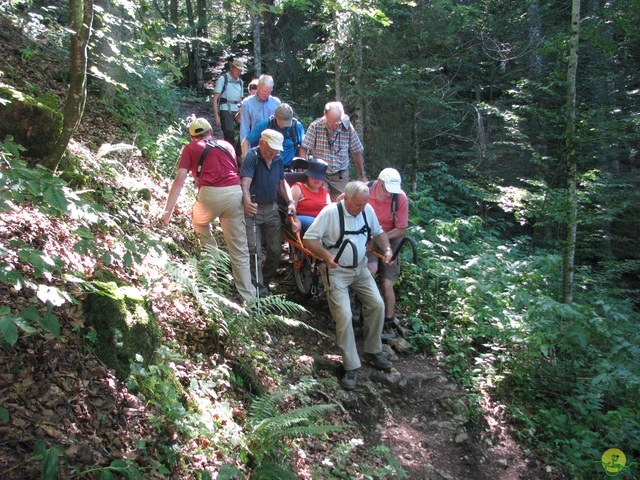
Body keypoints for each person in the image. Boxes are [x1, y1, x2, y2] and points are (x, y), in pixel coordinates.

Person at [303, 181, 394, 391]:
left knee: (377, 305)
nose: (362, 209)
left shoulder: (366, 209)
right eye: (358, 205)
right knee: (343, 315)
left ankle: (373, 350)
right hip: (336, 272)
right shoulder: (330, 213)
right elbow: (309, 239)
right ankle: (351, 366)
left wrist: (387, 249)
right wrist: (326, 256)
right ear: (346, 198)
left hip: (360, 269)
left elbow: (378, 232)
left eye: (364, 204)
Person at [161, 118, 256, 303]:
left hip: (209, 196)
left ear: (191, 136)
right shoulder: (226, 145)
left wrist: (167, 214)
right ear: (211, 132)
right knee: (239, 248)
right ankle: (249, 299)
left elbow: (179, 180)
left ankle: (214, 267)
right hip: (234, 194)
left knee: (200, 223)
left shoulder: (190, 148)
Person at [241, 129, 296, 297]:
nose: (273, 153)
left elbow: (282, 182)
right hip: (254, 208)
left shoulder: (277, 159)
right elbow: (245, 183)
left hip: (271, 208)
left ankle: (263, 281)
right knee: (254, 250)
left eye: (276, 150)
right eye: (270, 149)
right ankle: (256, 289)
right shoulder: (252, 157)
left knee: (275, 250)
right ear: (261, 143)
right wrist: (247, 202)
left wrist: (290, 200)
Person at [366, 168, 409, 340]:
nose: (389, 194)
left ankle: (388, 321)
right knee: (370, 270)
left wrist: (379, 237)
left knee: (387, 283)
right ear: (379, 182)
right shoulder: (365, 191)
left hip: (390, 237)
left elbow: (401, 230)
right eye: (386, 190)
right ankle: (363, 313)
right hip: (367, 237)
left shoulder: (400, 198)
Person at [299, 101, 367, 201]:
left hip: (340, 174)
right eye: (331, 122)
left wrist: (362, 175)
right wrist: (304, 171)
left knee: (342, 204)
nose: (334, 126)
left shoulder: (347, 128)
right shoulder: (315, 126)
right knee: (321, 203)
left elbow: (356, 151)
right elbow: (304, 148)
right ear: (325, 115)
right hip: (320, 174)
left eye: (337, 123)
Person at [241, 103, 305, 167]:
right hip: (267, 168)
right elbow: (245, 142)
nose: (284, 126)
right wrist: (246, 164)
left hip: (290, 168)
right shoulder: (265, 124)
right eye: (282, 122)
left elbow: (303, 148)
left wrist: (303, 168)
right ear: (275, 116)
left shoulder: (296, 126)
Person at [289, 159, 331, 232]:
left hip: (321, 221)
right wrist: (296, 220)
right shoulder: (298, 187)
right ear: (308, 176)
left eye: (319, 177)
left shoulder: (325, 192)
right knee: (317, 224)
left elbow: (330, 212)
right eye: (314, 176)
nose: (317, 179)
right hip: (302, 219)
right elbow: (290, 209)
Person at [239, 75, 281, 147]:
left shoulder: (276, 103)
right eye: (264, 91)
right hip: (254, 144)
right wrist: (246, 150)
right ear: (258, 87)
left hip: (272, 144)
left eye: (268, 91)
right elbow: (244, 129)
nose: (266, 94)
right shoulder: (247, 104)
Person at [212, 58, 245, 146]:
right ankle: (229, 153)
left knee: (243, 131)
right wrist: (216, 115)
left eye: (240, 70)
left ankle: (238, 153)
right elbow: (215, 98)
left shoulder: (240, 82)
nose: (239, 72)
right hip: (226, 109)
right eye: (237, 69)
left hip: (237, 109)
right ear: (232, 68)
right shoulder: (223, 79)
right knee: (229, 133)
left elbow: (241, 99)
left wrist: (241, 110)